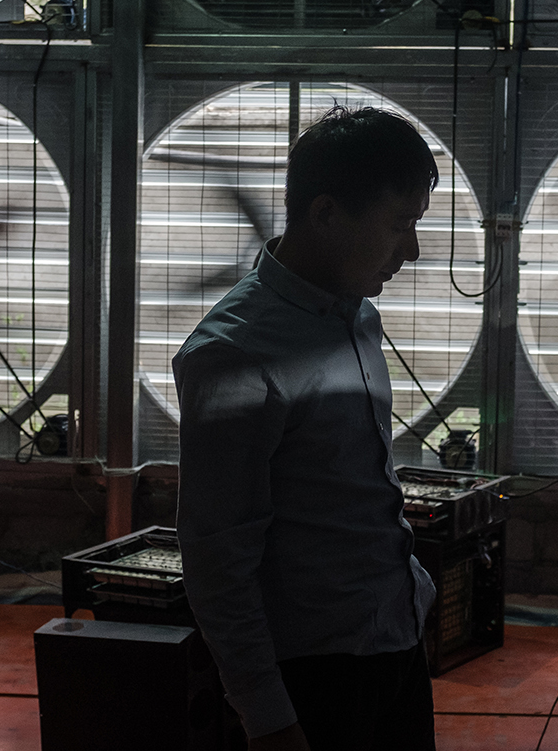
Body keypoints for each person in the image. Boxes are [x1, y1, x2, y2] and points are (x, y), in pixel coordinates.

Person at [174, 106, 441, 751]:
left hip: (395, 639)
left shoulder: (357, 315)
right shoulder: (236, 353)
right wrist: (268, 718)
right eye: (399, 225)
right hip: (317, 678)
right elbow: (217, 562)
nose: (411, 251)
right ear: (325, 214)